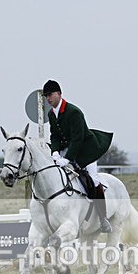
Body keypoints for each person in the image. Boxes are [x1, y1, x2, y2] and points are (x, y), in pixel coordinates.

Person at [43, 79, 114, 233]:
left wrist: (67, 159)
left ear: (59, 94)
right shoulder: (51, 114)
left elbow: (78, 139)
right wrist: (55, 152)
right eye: (46, 96)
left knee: (93, 179)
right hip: (66, 150)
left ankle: (103, 218)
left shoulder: (73, 112)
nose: (48, 98)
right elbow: (55, 136)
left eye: (50, 95)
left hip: (85, 150)